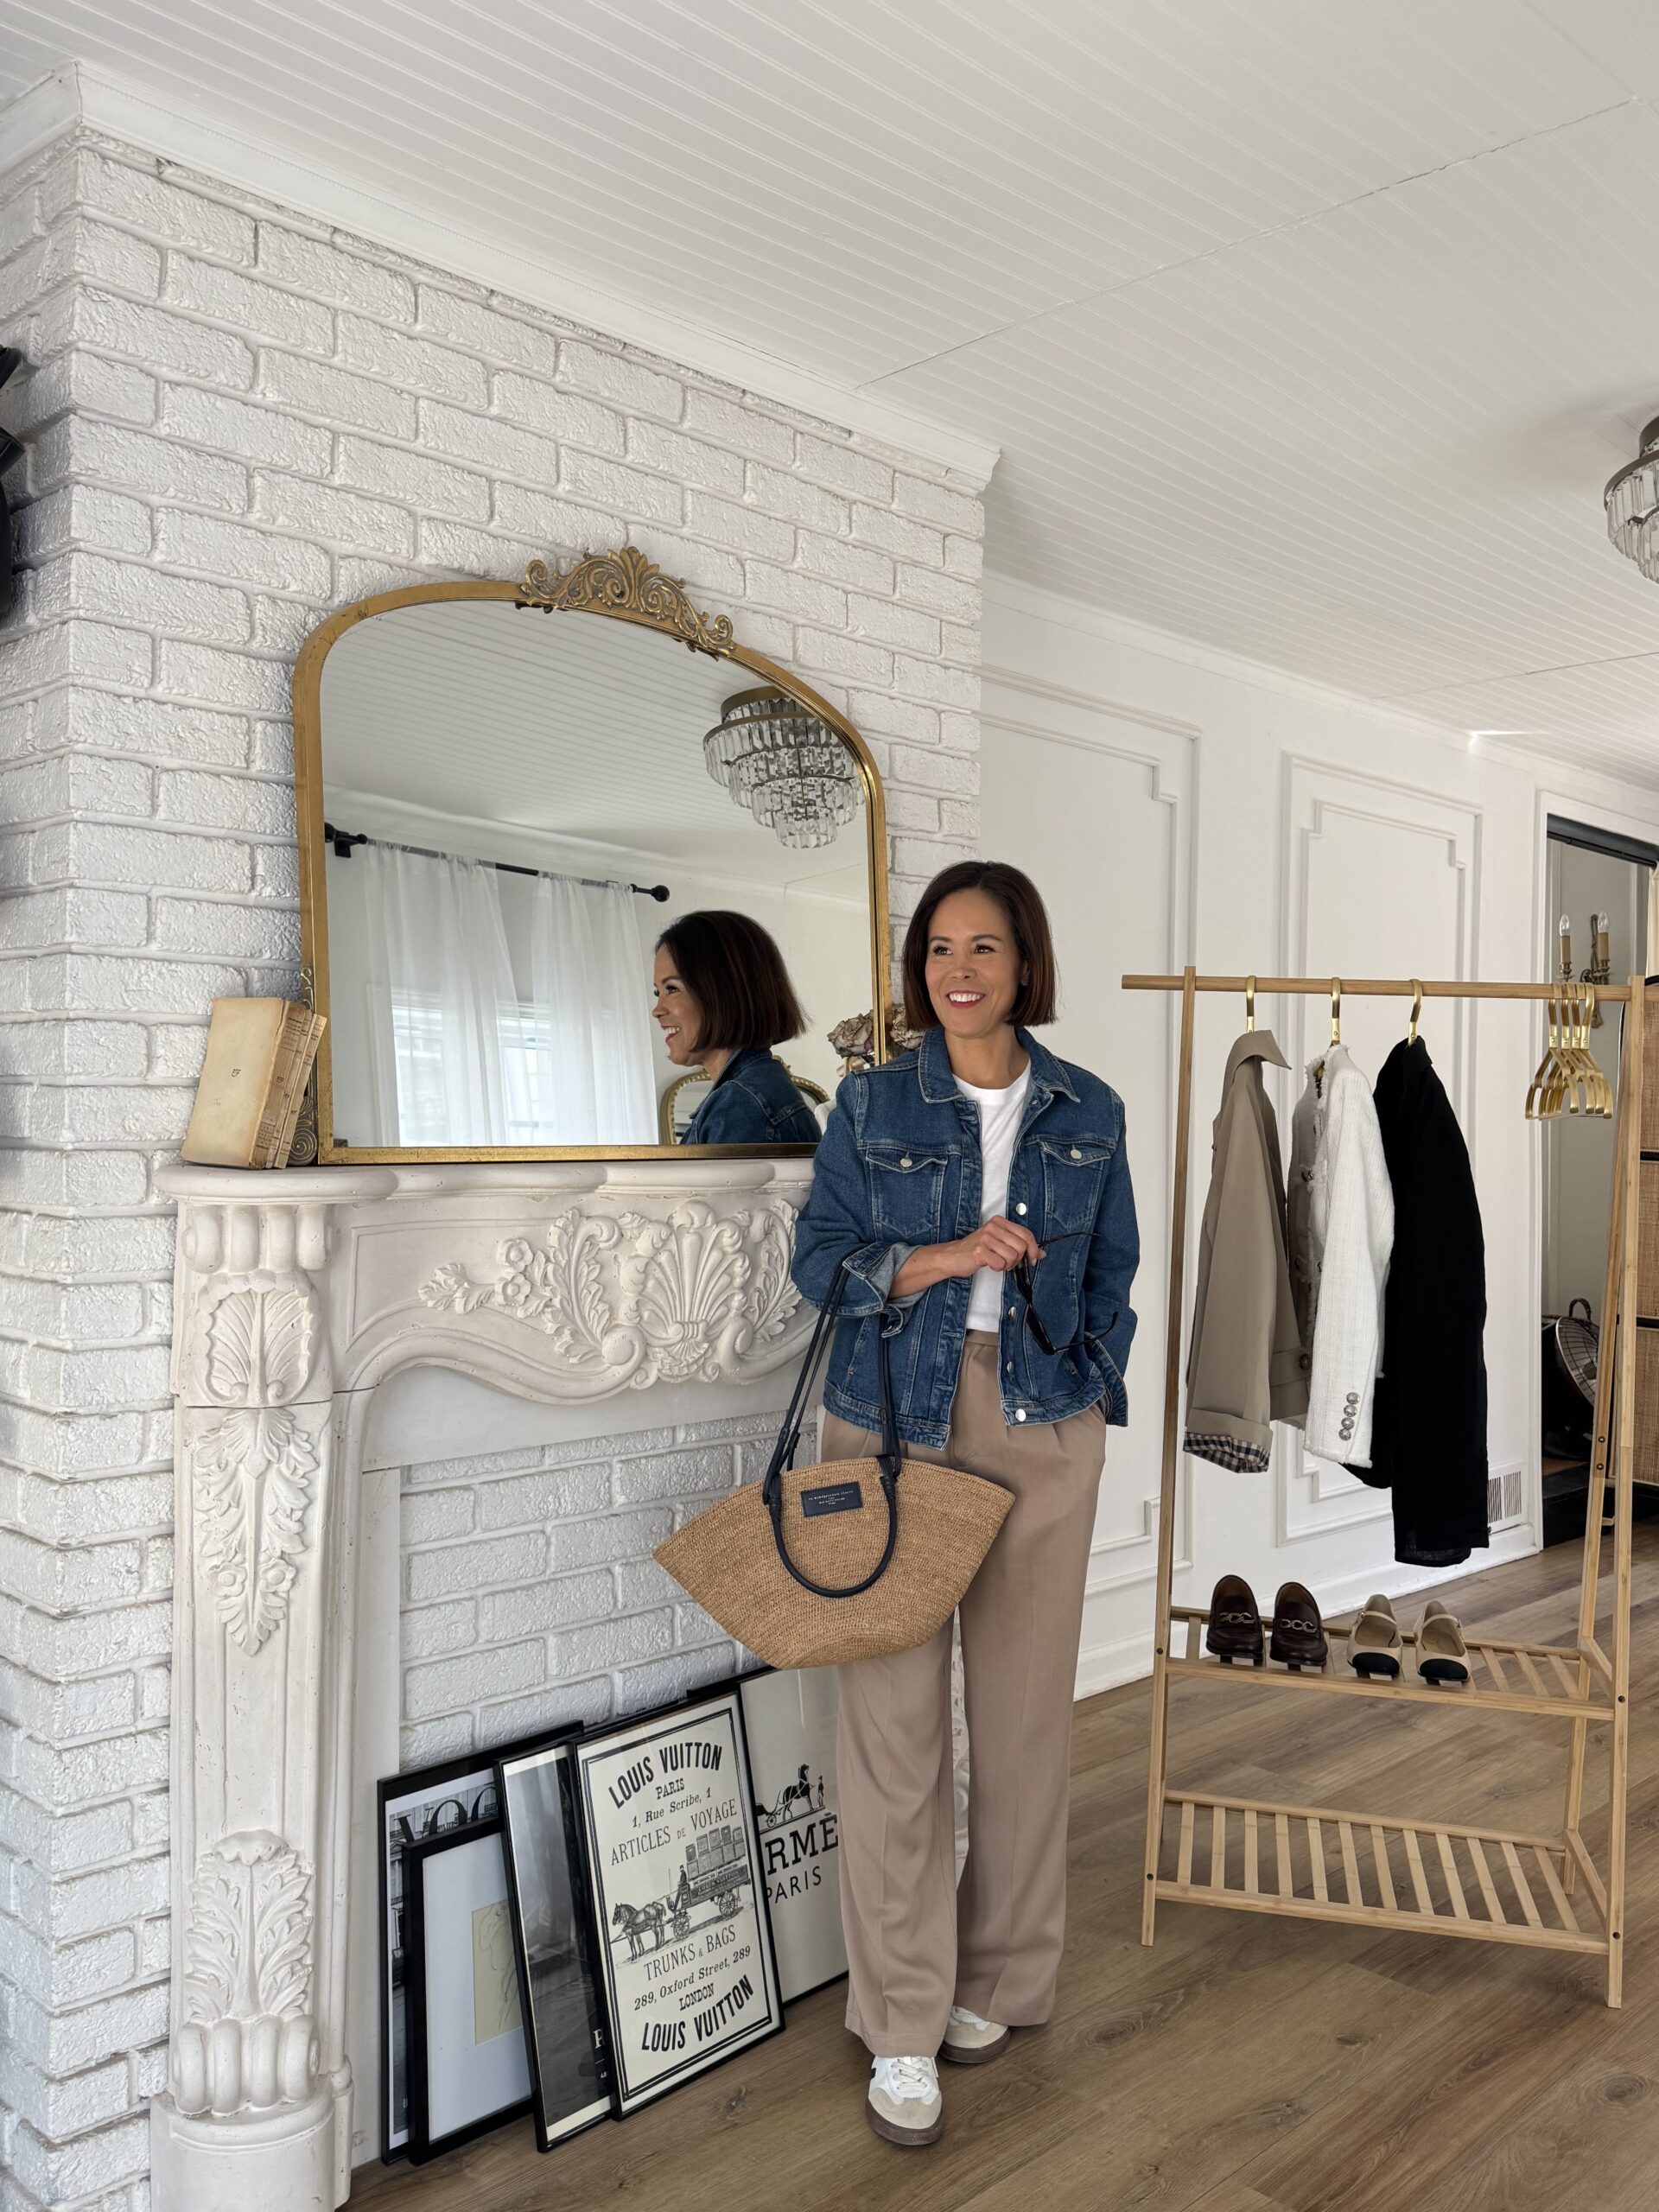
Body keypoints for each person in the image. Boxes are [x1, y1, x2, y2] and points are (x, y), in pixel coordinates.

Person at [791, 859, 1138, 2148]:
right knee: (893, 1729)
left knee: (1025, 1720)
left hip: (1042, 1420)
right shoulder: (872, 1100)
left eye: (983, 947)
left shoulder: (1090, 1108)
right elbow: (820, 1262)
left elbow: (1113, 1277)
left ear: (1024, 963)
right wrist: (943, 1256)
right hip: (890, 1417)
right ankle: (902, 2020)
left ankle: (1000, 1978)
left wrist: (1086, 1386)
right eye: (939, 949)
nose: (958, 972)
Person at [651, 910, 821, 1146]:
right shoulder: (746, 1095)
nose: (657, 1010)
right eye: (657, 992)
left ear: (723, 992)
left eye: (672, 989)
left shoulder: (742, 1105)